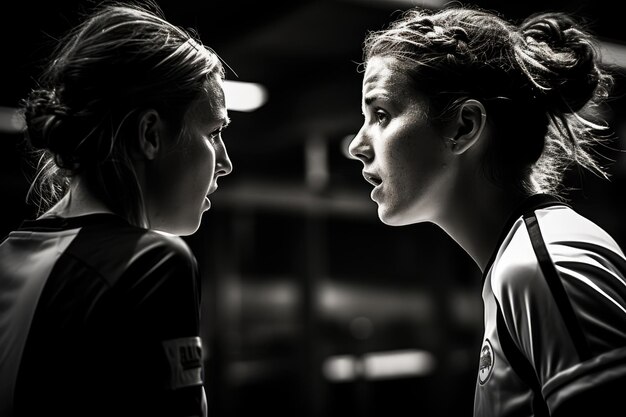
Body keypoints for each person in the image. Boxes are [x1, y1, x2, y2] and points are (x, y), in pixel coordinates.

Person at [348, 4, 626, 417]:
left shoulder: (543, 264)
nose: (356, 145)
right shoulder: (522, 261)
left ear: (463, 126)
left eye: (382, 115)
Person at [0, 1, 232, 416]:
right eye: (214, 133)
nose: (225, 162)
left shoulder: (5, 256)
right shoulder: (153, 262)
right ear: (149, 134)